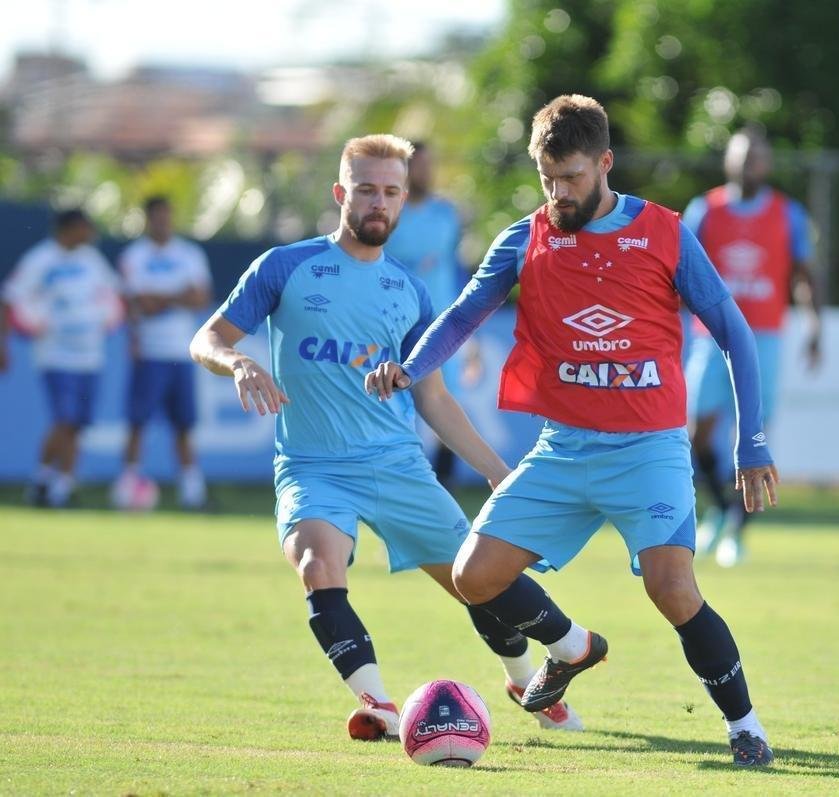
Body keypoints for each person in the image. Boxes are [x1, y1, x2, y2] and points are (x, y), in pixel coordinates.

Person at [367, 95, 779, 767]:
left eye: (573, 177)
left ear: (606, 163)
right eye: (548, 177)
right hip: (564, 448)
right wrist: (411, 370)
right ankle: (570, 647)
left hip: (648, 450)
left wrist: (750, 437)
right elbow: (463, 314)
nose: (559, 192)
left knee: (672, 589)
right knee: (474, 576)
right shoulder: (524, 238)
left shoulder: (664, 232)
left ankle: (746, 727)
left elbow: (733, 331)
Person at [189, 134, 582, 740]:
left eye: (391, 191)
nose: (380, 202)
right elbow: (207, 339)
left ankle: (526, 677)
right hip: (313, 468)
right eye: (367, 189)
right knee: (319, 566)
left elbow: (434, 397)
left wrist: (497, 471)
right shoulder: (285, 267)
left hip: (396, 467)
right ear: (340, 193)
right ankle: (379, 704)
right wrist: (238, 362)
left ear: (404, 199)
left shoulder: (410, 293)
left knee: (480, 586)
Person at [683, 124, 821, 567]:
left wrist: (815, 324)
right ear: (729, 161)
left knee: (753, 436)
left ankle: (737, 532)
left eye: (756, 156)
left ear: (767, 164)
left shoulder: (788, 213)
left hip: (763, 339)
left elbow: (802, 274)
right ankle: (721, 510)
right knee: (693, 431)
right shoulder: (705, 210)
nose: (748, 164)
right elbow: (676, 271)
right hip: (712, 337)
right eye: (741, 156)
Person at [0, 208, 123, 507]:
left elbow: (112, 295)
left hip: (90, 355)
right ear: (69, 229)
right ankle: (42, 480)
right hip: (55, 355)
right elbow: (10, 299)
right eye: (85, 228)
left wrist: (106, 319)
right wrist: (3, 343)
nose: (90, 234)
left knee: (78, 424)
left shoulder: (92, 261)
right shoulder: (40, 259)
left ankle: (62, 488)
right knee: (64, 418)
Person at [382, 142, 475, 488]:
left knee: (445, 403)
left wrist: (472, 333)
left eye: (428, 164)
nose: (425, 172)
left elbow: (457, 270)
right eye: (417, 165)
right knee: (397, 409)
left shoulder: (447, 214)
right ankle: (402, 487)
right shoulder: (387, 214)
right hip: (392, 326)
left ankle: (442, 488)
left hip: (442, 327)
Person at [112, 196, 212, 509]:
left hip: (182, 352)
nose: (163, 222)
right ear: (147, 219)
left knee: (183, 425)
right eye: (157, 216)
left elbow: (200, 297)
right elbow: (141, 303)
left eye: (166, 215)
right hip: (149, 352)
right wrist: (176, 295)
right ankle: (128, 485)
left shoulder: (189, 253)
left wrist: (161, 297)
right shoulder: (134, 256)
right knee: (137, 423)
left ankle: (192, 493)